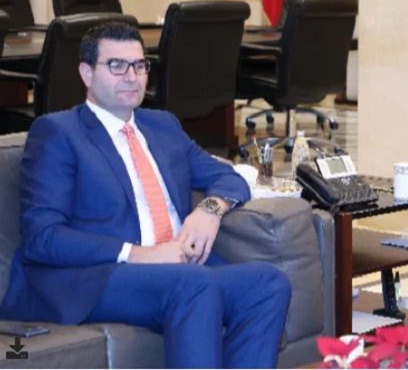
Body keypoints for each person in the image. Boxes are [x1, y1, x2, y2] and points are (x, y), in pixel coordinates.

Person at [0, 21, 292, 368]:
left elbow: (228, 177)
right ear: (86, 73)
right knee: (193, 283)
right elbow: (42, 238)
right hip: (99, 275)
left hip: (179, 269)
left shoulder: (163, 126)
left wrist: (210, 210)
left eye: (139, 65)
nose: (132, 76)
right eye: (117, 65)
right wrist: (140, 254)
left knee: (269, 283)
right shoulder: (58, 133)